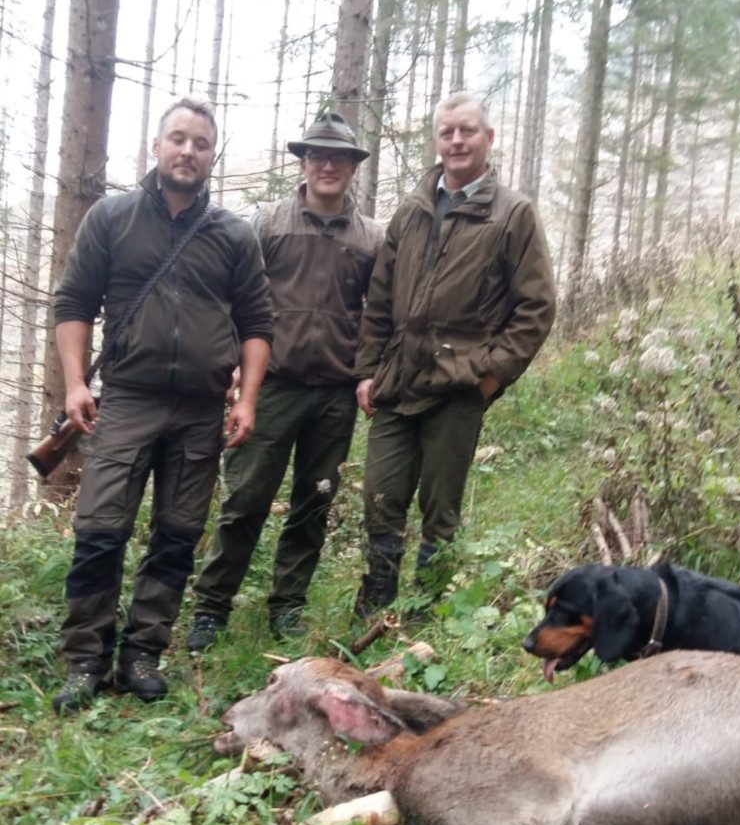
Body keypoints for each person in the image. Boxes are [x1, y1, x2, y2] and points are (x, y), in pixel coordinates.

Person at [52, 96, 274, 713]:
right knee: (100, 532)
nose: (187, 151)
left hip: (200, 412)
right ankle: (85, 660)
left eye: (200, 143)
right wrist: (75, 384)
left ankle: (143, 654)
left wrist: (247, 399)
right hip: (127, 401)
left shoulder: (233, 235)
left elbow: (258, 323)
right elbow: (73, 303)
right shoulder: (112, 218)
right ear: (156, 146)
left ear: (212, 155)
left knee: (177, 536)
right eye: (178, 139)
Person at [353, 91, 556, 615]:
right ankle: (377, 603)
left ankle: (427, 611)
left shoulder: (512, 214)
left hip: (459, 385)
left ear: (488, 138)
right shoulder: (413, 209)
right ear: (437, 141)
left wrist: (492, 374)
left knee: (440, 509)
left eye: (467, 131)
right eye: (448, 133)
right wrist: (368, 371)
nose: (457, 141)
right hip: (398, 382)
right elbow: (380, 296)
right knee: (380, 495)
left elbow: (536, 308)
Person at [186, 111, 382, 648]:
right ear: (303, 162)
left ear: (352, 167)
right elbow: (233, 296)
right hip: (269, 387)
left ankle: (288, 606)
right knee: (244, 501)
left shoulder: (371, 238)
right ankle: (211, 608)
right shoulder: (267, 223)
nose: (327, 166)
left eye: (338, 158)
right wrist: (231, 363)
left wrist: (368, 372)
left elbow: (379, 313)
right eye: (317, 155)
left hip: (335, 394)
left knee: (314, 504)